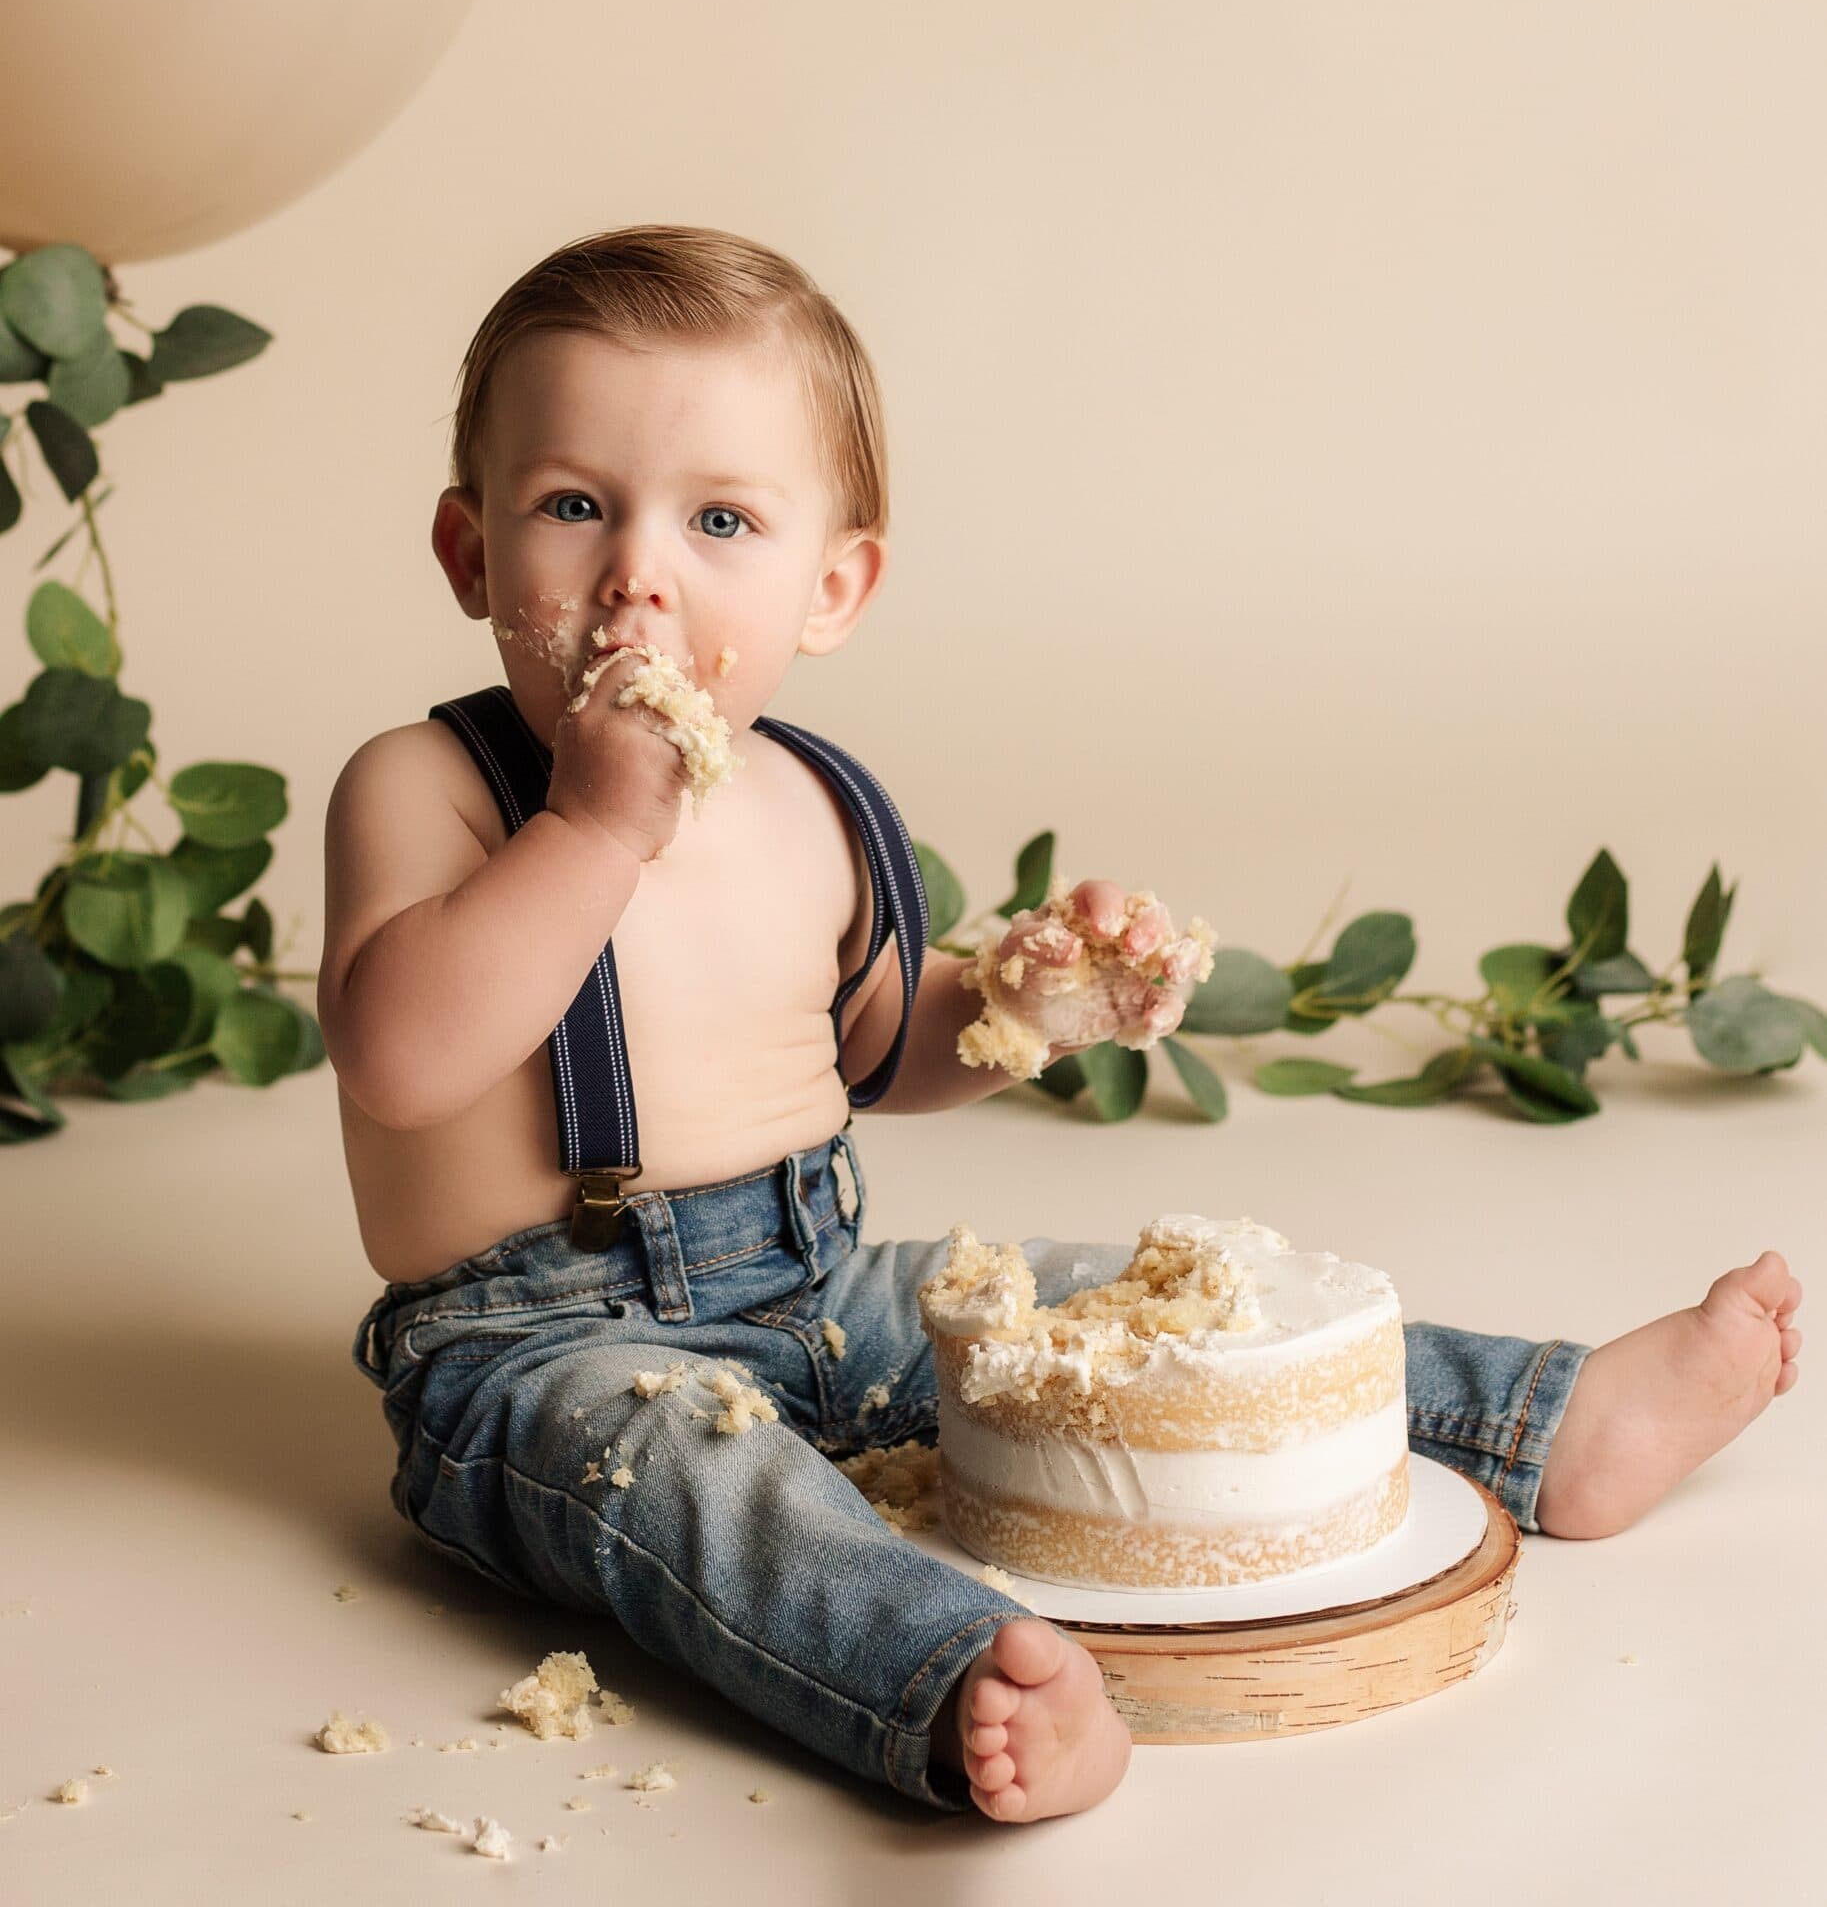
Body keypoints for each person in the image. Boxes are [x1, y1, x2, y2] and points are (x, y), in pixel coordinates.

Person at [323, 224, 1803, 1823]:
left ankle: (1542, 1421)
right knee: (698, 1492)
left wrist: (1024, 1003)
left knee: (1109, 1308)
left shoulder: (816, 802)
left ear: (833, 587)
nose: (640, 573)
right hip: (544, 1349)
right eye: (573, 507)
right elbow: (403, 1057)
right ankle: (948, 1675)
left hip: (818, 1286)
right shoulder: (434, 789)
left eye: (722, 519)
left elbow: (884, 1050)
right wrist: (595, 831)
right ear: (472, 554)